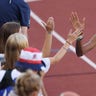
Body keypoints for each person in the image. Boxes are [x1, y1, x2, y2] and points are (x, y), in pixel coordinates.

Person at [0, 17, 55, 96]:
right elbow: (45, 55)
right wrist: (49, 33)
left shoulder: (2, 72)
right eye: (20, 33)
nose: (23, 34)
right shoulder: (27, 59)